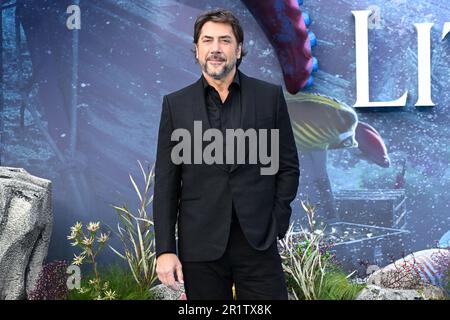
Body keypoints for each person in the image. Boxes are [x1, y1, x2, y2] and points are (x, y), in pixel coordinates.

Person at [153, 8, 299, 300]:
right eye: (207, 40)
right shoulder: (175, 105)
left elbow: (287, 167)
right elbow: (167, 184)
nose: (216, 49)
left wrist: (277, 222)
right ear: (196, 50)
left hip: (258, 242)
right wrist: (166, 249)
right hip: (200, 246)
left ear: (239, 49)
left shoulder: (269, 98)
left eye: (225, 40)